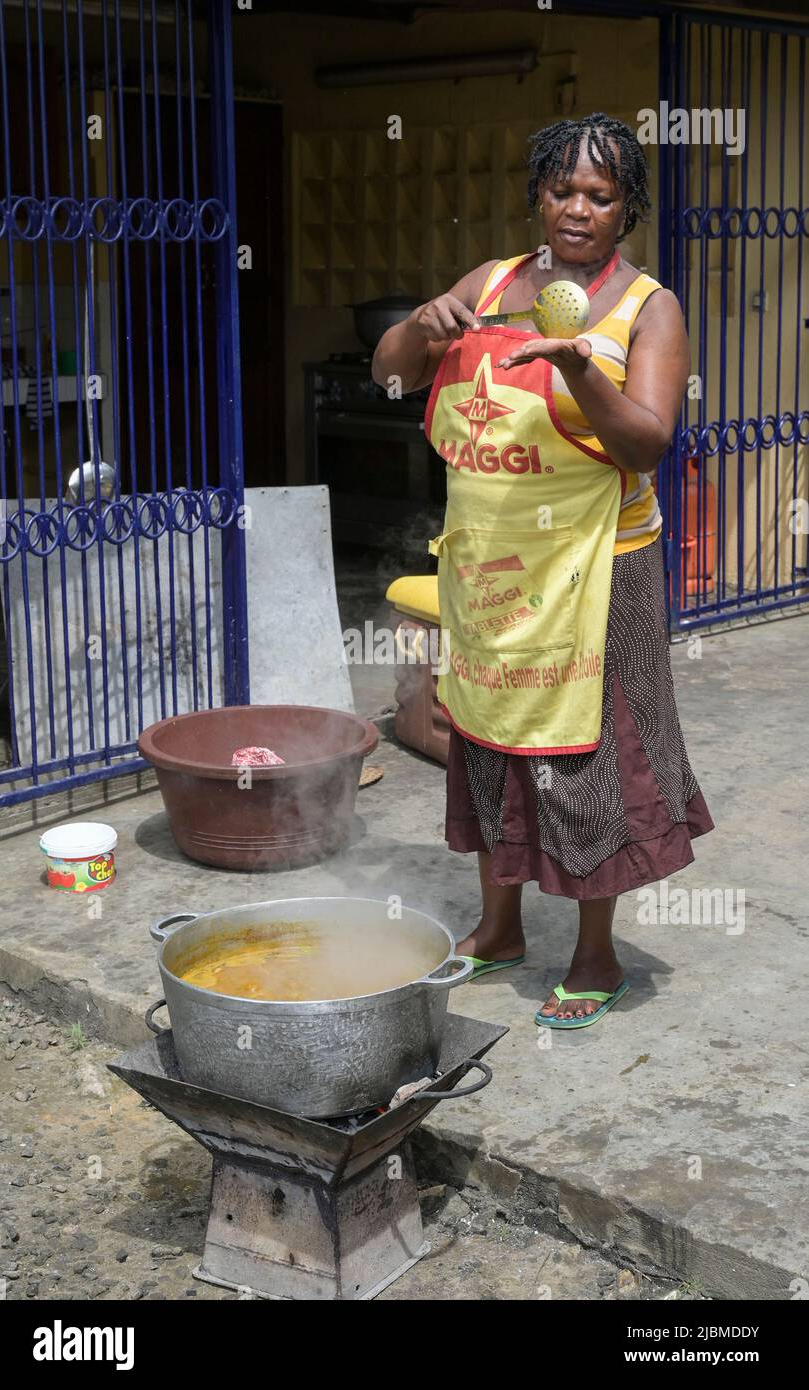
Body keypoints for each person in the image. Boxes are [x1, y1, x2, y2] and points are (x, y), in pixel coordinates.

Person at [372, 113, 713, 1029]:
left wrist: (579, 370)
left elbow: (645, 445)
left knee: (587, 753)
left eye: (601, 196)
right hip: (494, 566)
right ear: (538, 195)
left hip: (600, 569)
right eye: (563, 190)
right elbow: (391, 373)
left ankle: (594, 954)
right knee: (486, 737)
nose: (578, 209)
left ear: (626, 208)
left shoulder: (650, 307)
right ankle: (497, 928)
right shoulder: (489, 284)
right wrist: (420, 325)